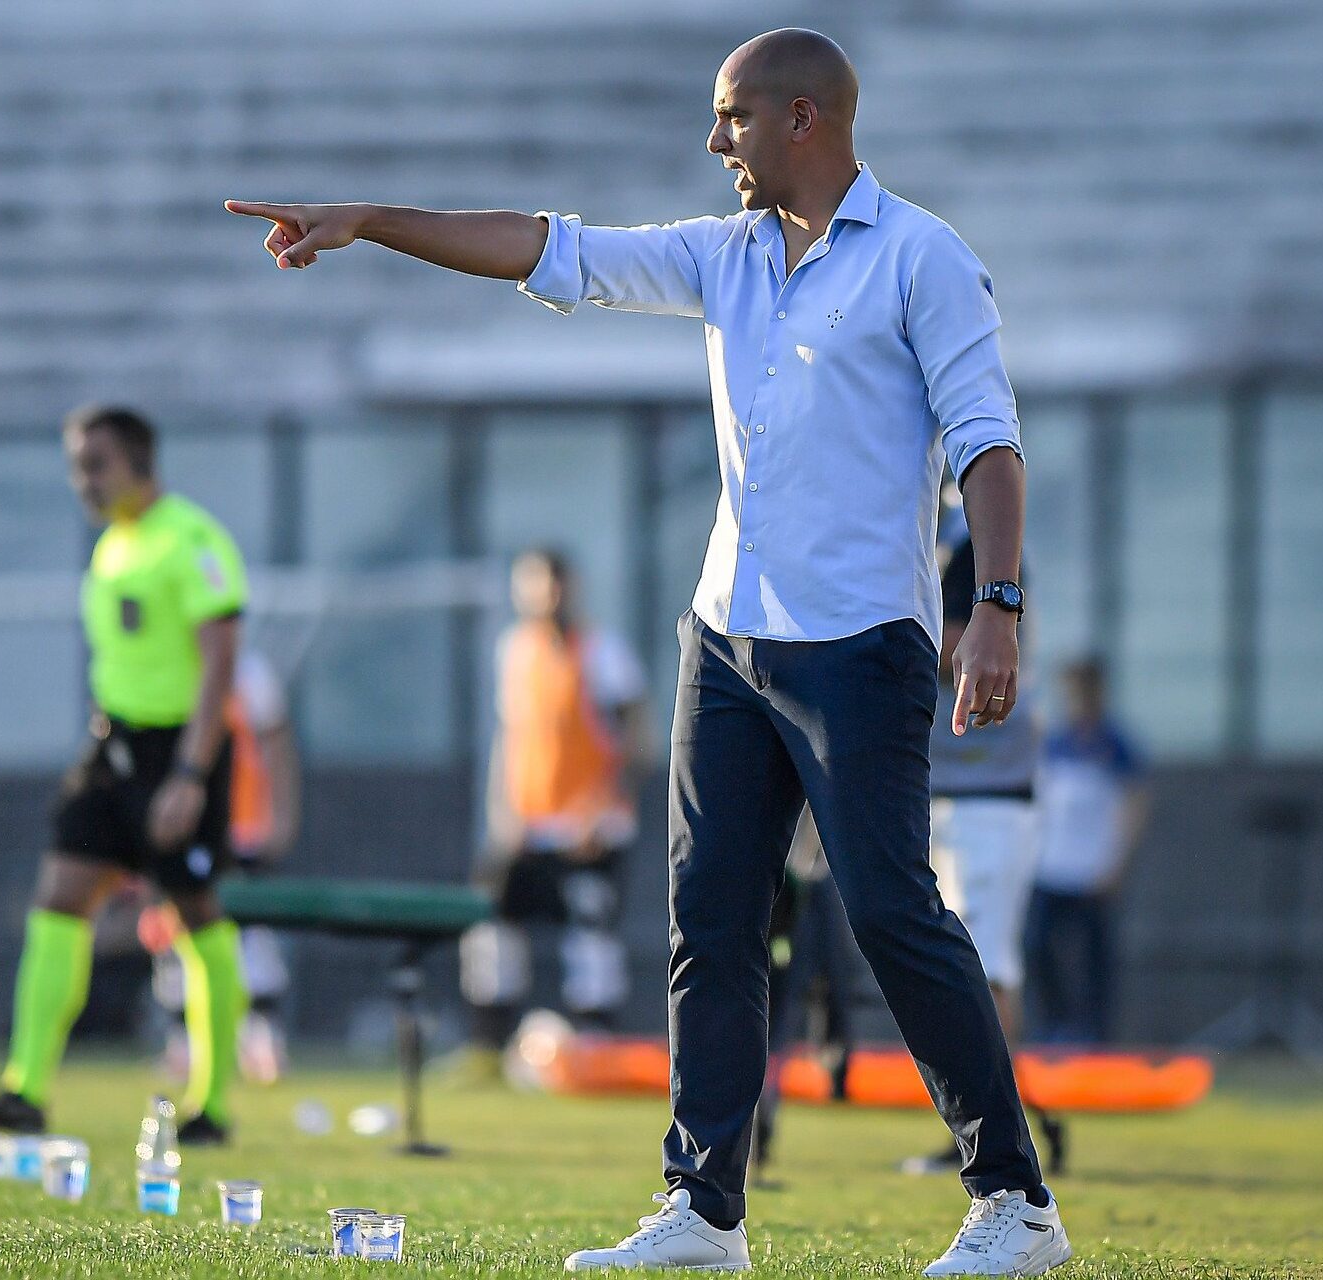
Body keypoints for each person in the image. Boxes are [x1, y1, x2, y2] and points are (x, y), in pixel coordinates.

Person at [227, 27, 1068, 1275]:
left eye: (729, 117)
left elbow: (987, 445)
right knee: (706, 922)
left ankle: (1015, 1203)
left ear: (801, 119)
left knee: (891, 910)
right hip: (724, 642)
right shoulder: (721, 254)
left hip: (861, 650)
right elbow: (540, 242)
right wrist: (365, 218)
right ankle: (704, 1211)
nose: (711, 140)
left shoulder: (923, 259)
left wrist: (992, 604)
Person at [0, 404, 250, 1146]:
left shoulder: (192, 540)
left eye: (96, 463)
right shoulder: (114, 546)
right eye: (77, 465)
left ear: (139, 462)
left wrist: (190, 774)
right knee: (59, 899)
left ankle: (210, 1104)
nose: (82, 480)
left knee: (197, 918)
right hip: (111, 752)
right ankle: (25, 1089)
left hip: (177, 755)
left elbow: (221, 663)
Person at [903, 531, 1067, 1175]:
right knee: (975, 961)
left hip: (989, 798)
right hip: (957, 796)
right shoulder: (946, 538)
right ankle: (998, 1122)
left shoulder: (977, 545)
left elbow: (961, 645)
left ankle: (991, 1129)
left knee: (983, 965)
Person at [457, 548, 649, 1081]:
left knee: (591, 933)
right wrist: (504, 815)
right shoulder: (514, 651)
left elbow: (639, 740)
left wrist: (600, 810)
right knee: (490, 922)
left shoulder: (603, 651)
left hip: (590, 828)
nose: (544, 597)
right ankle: (489, 1046)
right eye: (533, 586)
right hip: (529, 825)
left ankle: (595, 1047)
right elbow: (513, 739)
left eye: (553, 585)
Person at [146, 645, 302, 1084]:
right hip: (188, 825)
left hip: (242, 824)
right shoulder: (170, 664)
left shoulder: (250, 671)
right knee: (180, 928)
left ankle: (262, 1035)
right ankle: (185, 1040)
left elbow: (276, 747)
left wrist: (283, 815)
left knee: (251, 934)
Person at [1026, 659, 1148, 1045]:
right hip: (1052, 866)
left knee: (1096, 957)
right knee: (1039, 945)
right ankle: (1055, 1026)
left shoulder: (1116, 745)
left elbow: (1134, 804)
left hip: (1092, 870)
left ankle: (1095, 1034)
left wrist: (1115, 863)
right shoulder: (1055, 742)